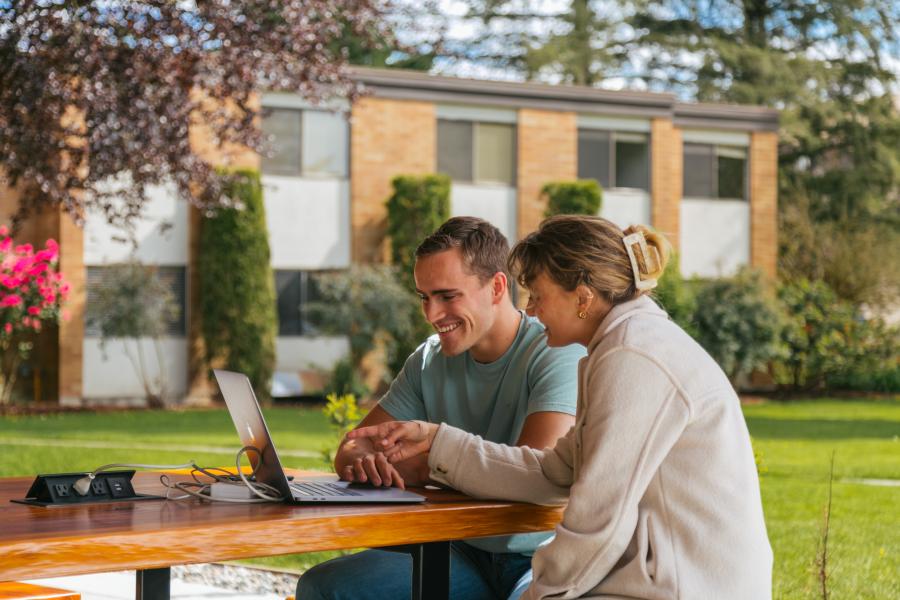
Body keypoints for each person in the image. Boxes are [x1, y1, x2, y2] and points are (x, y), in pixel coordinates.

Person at [349, 215, 774, 600]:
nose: (530, 308)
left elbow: (598, 522)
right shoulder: (619, 348)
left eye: (538, 294)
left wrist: (540, 594)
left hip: (687, 587)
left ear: (583, 297)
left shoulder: (634, 357)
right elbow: (552, 473)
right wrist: (439, 443)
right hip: (661, 578)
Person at [296, 216, 586, 600]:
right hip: (456, 547)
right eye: (424, 297)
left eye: (448, 296)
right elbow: (352, 447)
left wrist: (426, 464)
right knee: (323, 588)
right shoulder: (428, 360)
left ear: (497, 287)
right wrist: (380, 462)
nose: (432, 315)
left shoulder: (553, 352)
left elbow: (531, 474)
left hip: (538, 555)